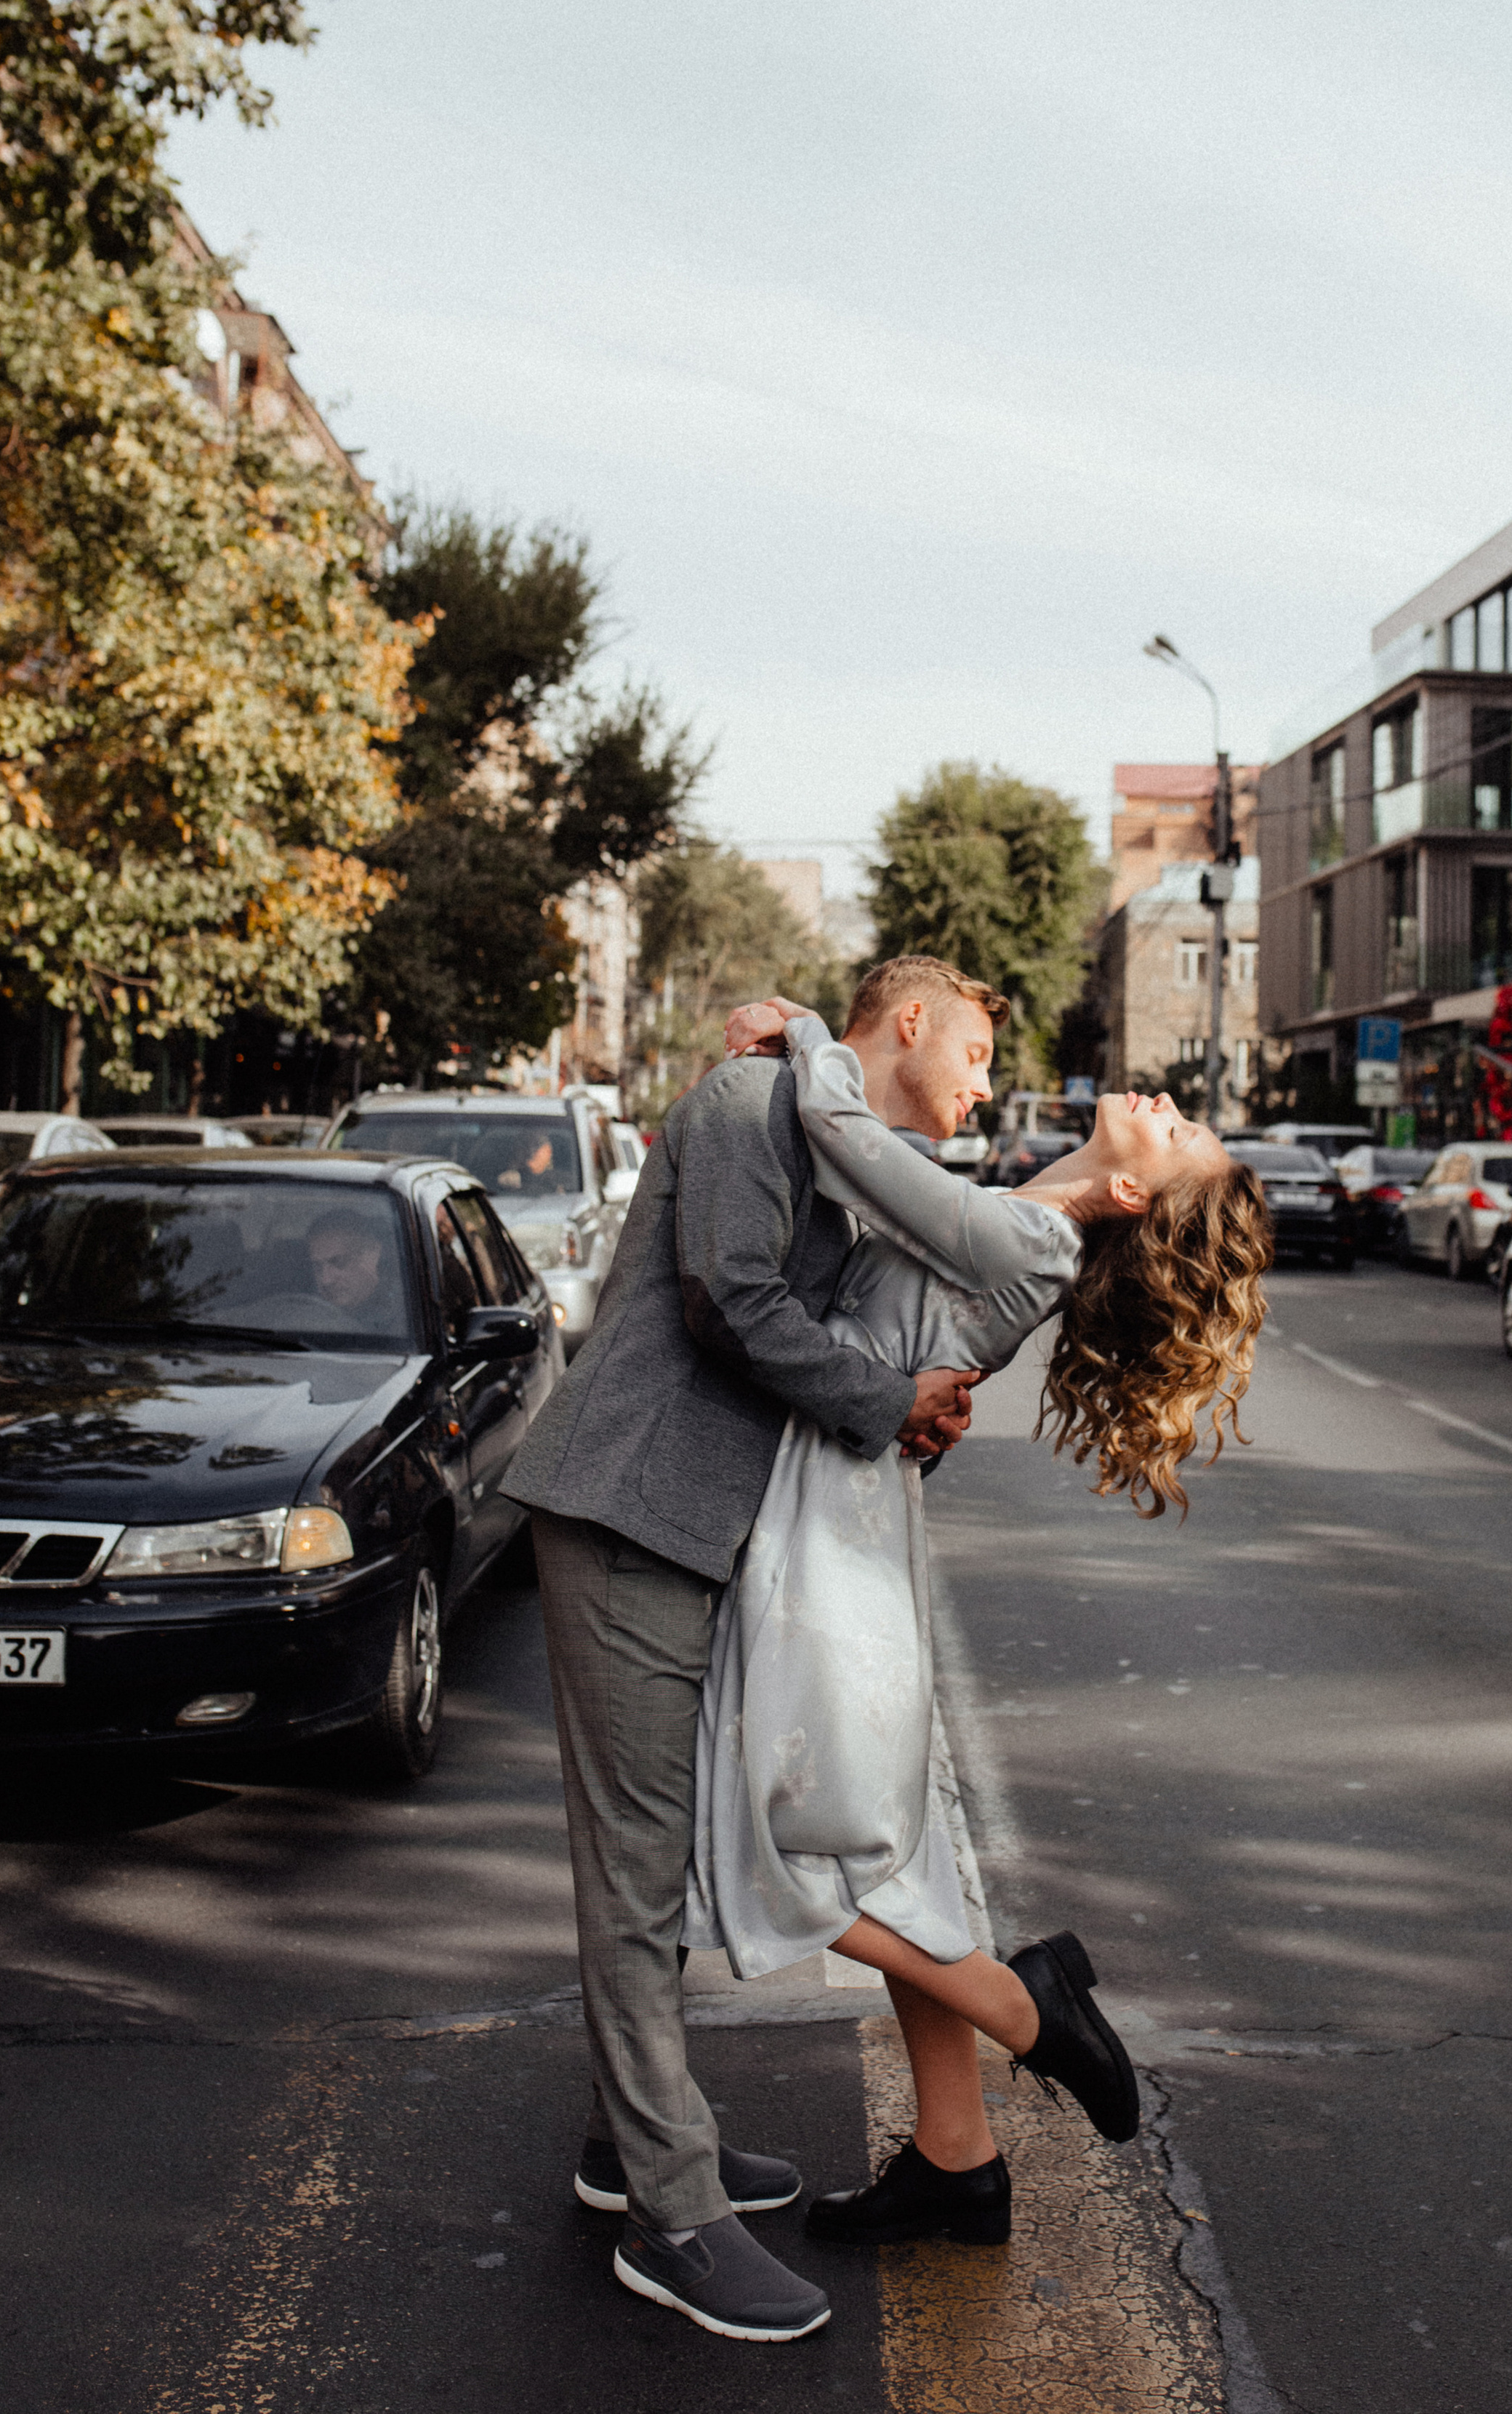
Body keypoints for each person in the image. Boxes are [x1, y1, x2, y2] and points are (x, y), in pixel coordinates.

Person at [693, 989, 1271, 2258]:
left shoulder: (1025, 1241)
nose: (1167, 1108)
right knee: (900, 1864)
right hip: (842, 1517)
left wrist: (804, 1033)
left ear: (1135, 1197)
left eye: (1178, 1138)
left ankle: (1027, 2009)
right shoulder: (1025, 1217)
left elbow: (850, 1143)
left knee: (764, 1846)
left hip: (827, 1544)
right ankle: (958, 2163)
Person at [504, 956, 1004, 2345]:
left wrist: (913, 1401)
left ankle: (630, 2145)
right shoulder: (748, 1097)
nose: (982, 1083)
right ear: (909, 1022)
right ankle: (672, 2218)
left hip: (705, 1532)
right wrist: (885, 1400)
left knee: (658, 1856)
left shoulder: (845, 1142)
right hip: (627, 1509)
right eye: (972, 1051)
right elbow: (733, 1300)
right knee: (635, 1862)